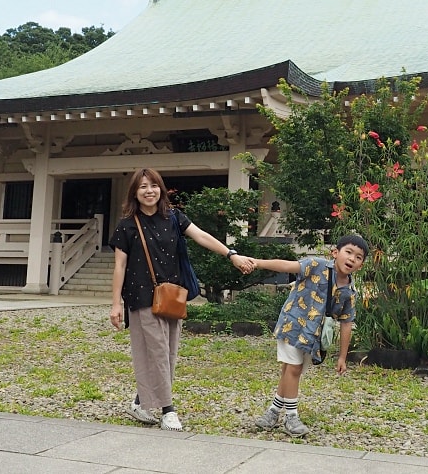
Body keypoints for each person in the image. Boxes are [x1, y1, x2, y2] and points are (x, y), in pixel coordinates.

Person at [109, 168, 256, 431]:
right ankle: (168, 410)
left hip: (171, 295)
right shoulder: (127, 225)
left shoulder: (174, 217)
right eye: (142, 187)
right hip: (141, 296)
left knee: (167, 353)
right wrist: (115, 304)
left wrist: (231, 254)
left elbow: (201, 236)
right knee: (156, 351)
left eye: (153, 185)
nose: (149, 191)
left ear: (161, 189)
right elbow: (119, 266)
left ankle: (140, 401)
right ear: (134, 192)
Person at [250, 233, 368, 436]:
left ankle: (273, 411)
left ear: (362, 265)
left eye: (358, 257)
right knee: (293, 370)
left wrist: (342, 356)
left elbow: (346, 323)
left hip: (313, 337)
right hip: (293, 325)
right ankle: (291, 418)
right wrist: (257, 263)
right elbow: (288, 266)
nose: (351, 259)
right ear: (335, 253)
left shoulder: (350, 291)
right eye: (348, 252)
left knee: (290, 370)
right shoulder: (316, 264)